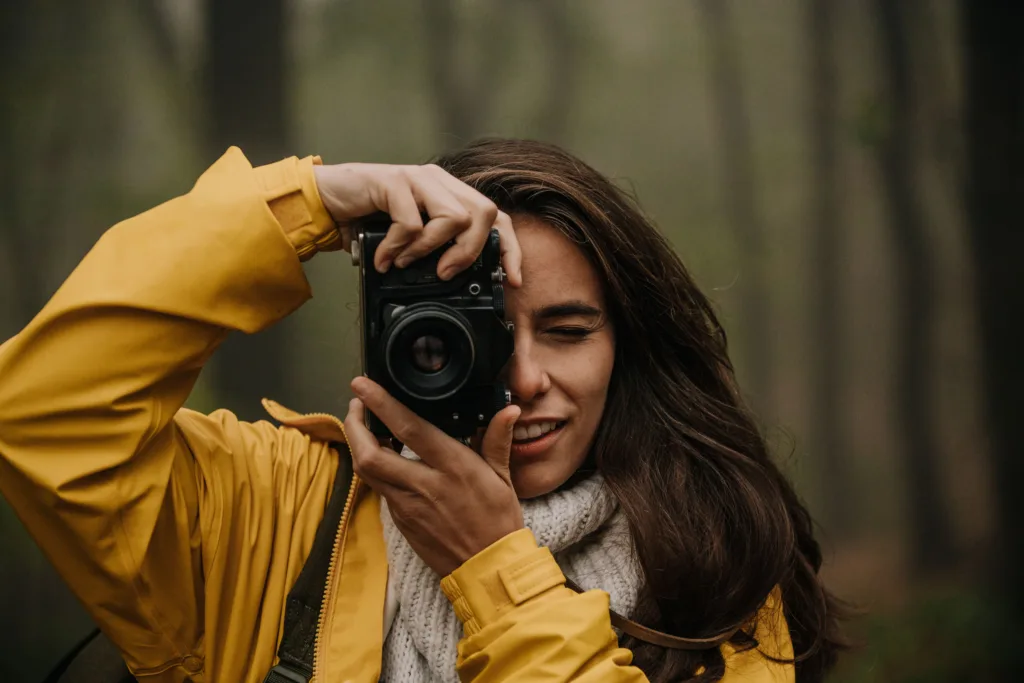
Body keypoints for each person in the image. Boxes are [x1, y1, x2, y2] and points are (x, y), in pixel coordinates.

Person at [0, 138, 845, 683]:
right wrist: (311, 207)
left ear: (627, 346)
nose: (524, 377)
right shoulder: (277, 512)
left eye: (567, 328)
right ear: (392, 332)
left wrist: (492, 564)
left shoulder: (712, 562)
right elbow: (40, 409)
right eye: (469, 333)